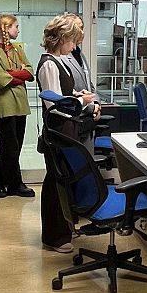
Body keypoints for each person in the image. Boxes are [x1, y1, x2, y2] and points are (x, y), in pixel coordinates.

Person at [36, 14, 97, 254]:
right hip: (58, 130)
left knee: (65, 180)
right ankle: (54, 236)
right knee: (55, 182)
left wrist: (75, 94)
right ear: (62, 39)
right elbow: (54, 105)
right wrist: (81, 101)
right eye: (72, 41)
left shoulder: (59, 61)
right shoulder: (49, 64)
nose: (74, 47)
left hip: (67, 129)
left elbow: (62, 93)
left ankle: (66, 227)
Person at [0, 14, 35, 199]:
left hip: (20, 105)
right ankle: (15, 184)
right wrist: (16, 75)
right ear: (6, 28)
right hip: (3, 106)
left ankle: (0, 181)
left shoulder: (17, 50)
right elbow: (1, 79)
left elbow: (30, 73)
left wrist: (12, 73)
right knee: (10, 146)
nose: (18, 30)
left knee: (15, 146)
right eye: (15, 26)